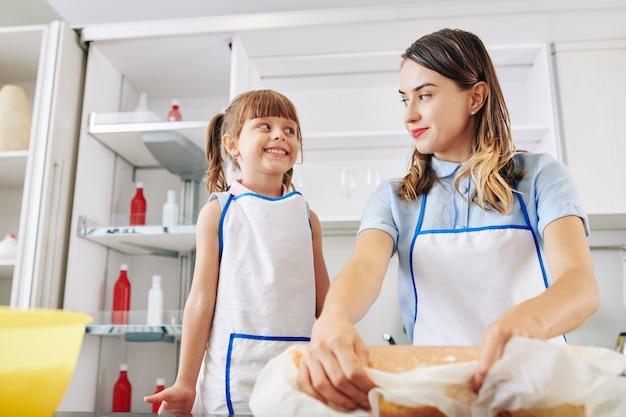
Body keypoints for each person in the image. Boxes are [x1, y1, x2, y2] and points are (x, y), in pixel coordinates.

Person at [296, 28, 599, 411]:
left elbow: (580, 285)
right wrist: (334, 318)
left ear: (475, 96)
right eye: (405, 99)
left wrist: (526, 323)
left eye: (424, 95)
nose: (409, 115)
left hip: (536, 389)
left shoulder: (540, 178)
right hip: (439, 397)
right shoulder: (394, 198)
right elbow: (364, 268)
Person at [144, 89, 330, 415]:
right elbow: (201, 302)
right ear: (232, 144)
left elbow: (326, 305)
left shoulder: (306, 216)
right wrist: (185, 384)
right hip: (232, 375)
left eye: (290, 130)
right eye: (265, 125)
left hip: (295, 372)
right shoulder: (219, 212)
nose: (280, 135)